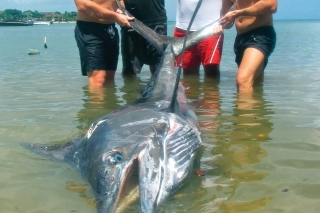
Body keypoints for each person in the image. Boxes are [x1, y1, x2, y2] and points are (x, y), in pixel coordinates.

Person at [220, 0, 277, 92]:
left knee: (242, 80)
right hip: (241, 38)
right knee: (255, 83)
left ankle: (243, 106)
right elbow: (227, 21)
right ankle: (256, 106)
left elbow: (271, 6)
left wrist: (239, 12)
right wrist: (220, 26)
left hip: (260, 34)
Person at [74, 0, 134, 86]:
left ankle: (108, 100)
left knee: (109, 80)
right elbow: (82, 5)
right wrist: (115, 16)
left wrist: (120, 8)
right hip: (90, 30)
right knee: (98, 80)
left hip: (110, 29)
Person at [174, 0, 226, 77]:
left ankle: (212, 89)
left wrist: (226, 20)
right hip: (183, 28)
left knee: (211, 71)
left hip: (212, 28)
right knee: (188, 72)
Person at [119, 0, 167, 75]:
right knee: (129, 71)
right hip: (131, 20)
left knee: (158, 68)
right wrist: (121, 8)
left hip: (157, 20)